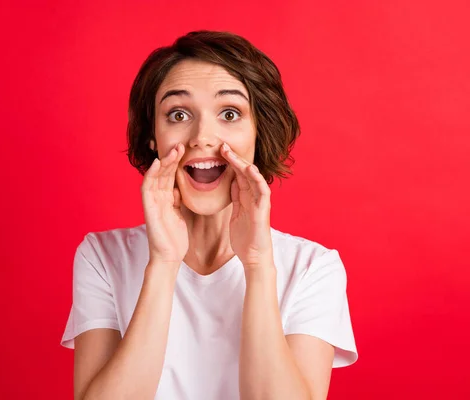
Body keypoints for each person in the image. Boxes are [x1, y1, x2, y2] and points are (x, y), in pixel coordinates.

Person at [60, 30, 358, 400]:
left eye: (229, 114)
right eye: (179, 114)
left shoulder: (313, 268)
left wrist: (258, 266)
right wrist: (164, 264)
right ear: (154, 135)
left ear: (257, 132)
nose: (203, 136)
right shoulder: (103, 257)